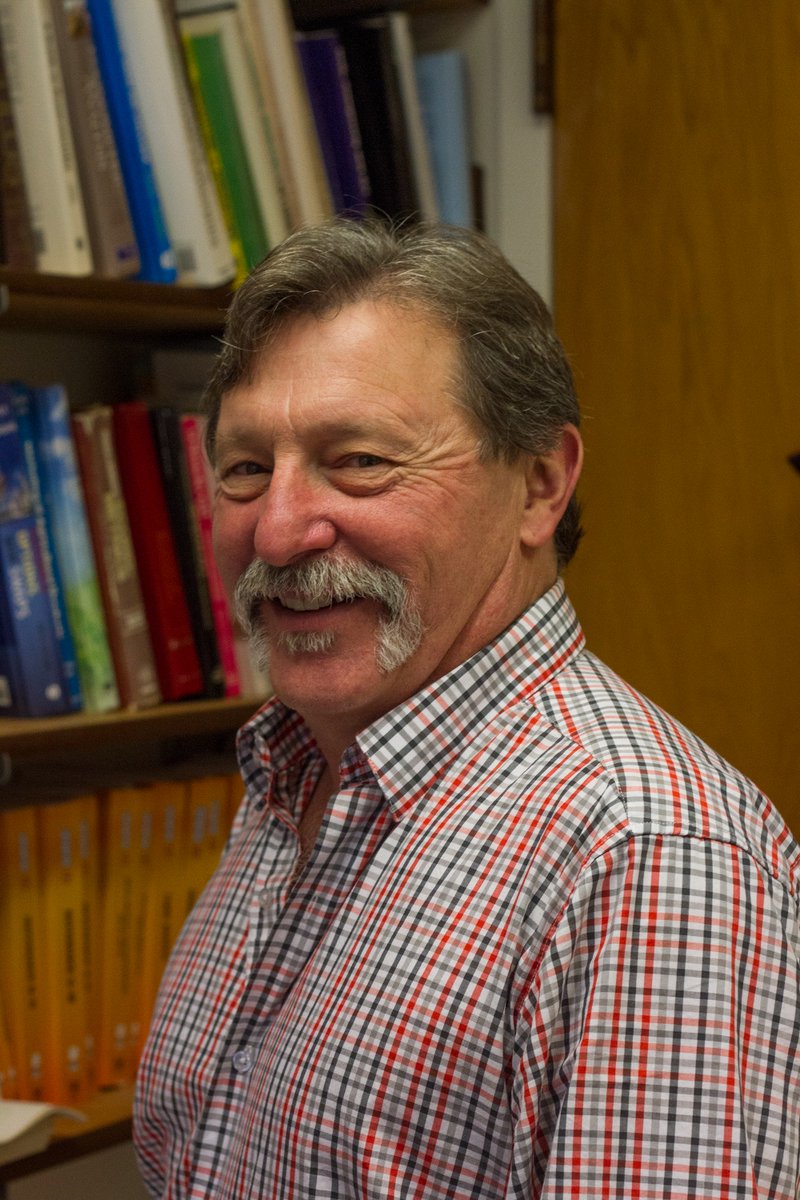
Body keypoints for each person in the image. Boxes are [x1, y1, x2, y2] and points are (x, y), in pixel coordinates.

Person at [134, 218, 799, 1200]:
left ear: (538, 485)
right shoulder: (298, 773)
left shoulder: (647, 859)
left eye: (357, 459)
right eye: (243, 468)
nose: (276, 527)